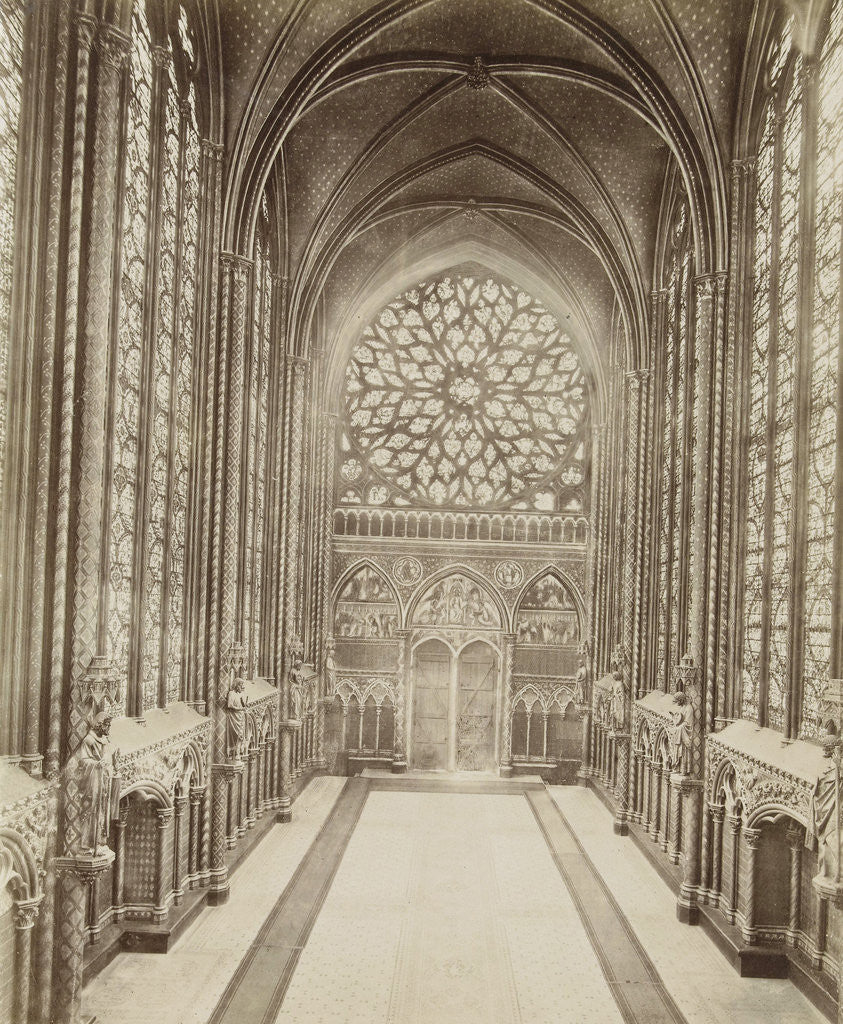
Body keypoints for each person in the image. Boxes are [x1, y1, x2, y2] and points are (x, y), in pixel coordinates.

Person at [76, 712, 117, 855]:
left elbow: (109, 756)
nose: (109, 728)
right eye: (107, 725)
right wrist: (98, 765)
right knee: (92, 811)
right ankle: (88, 845)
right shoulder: (89, 740)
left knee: (103, 812)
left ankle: (100, 841)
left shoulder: (105, 740)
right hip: (93, 784)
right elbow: (83, 761)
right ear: (100, 725)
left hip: (104, 782)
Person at [226, 677, 249, 759]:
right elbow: (229, 705)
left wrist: (244, 706)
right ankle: (234, 753)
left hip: (240, 716)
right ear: (236, 685)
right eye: (241, 685)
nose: (242, 687)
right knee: (236, 734)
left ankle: (238, 752)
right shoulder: (231, 693)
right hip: (233, 717)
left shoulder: (240, 694)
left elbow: (242, 704)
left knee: (241, 735)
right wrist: (240, 709)